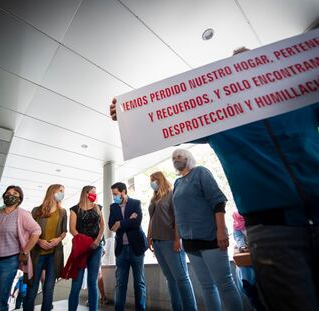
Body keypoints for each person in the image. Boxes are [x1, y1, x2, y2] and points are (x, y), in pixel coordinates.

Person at [109, 61, 319, 311]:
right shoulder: (223, 120)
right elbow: (166, 123)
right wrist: (131, 115)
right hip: (270, 227)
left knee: (224, 284)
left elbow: (216, 201)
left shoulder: (298, 101)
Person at [171, 149, 243, 311]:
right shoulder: (177, 183)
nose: (176, 159)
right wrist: (178, 238)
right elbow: (177, 213)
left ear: (189, 158)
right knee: (206, 286)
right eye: (174, 158)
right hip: (190, 242)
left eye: (180, 156)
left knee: (224, 284)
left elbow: (217, 201)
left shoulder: (200, 172)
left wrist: (221, 230)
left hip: (210, 237)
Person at [147, 171, 197, 311]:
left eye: (154, 180)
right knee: (170, 279)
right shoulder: (154, 199)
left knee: (181, 278)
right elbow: (151, 219)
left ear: (160, 180)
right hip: (157, 241)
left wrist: (177, 239)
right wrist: (149, 236)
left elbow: (178, 218)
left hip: (170, 241)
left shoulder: (172, 194)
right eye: (151, 180)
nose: (152, 183)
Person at [23, 184, 67, 311]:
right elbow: (29, 231)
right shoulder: (36, 211)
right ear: (52, 192)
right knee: (32, 289)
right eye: (60, 191)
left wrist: (58, 239)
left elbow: (64, 231)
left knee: (48, 290)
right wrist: (39, 241)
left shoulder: (62, 212)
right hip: (37, 254)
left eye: (63, 192)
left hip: (54, 255)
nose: (62, 194)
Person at [108, 182, 148, 311]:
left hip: (136, 248)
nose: (114, 197)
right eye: (113, 194)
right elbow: (111, 226)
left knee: (139, 283)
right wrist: (127, 221)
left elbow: (137, 223)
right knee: (120, 284)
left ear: (123, 191)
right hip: (121, 250)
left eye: (116, 194)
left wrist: (120, 223)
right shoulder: (113, 207)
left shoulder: (135, 203)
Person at [67, 186, 105, 311]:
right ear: (86, 193)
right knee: (76, 284)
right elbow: (72, 229)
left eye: (95, 192)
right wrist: (85, 242)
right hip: (81, 248)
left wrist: (97, 240)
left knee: (92, 282)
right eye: (93, 192)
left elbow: (102, 226)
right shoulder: (74, 209)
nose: (95, 194)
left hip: (96, 247)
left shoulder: (98, 208)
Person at [232, 211, 265, 311]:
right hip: (248, 257)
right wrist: (242, 245)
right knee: (244, 274)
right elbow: (238, 237)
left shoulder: (260, 216)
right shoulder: (238, 219)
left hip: (263, 254)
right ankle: (255, 302)